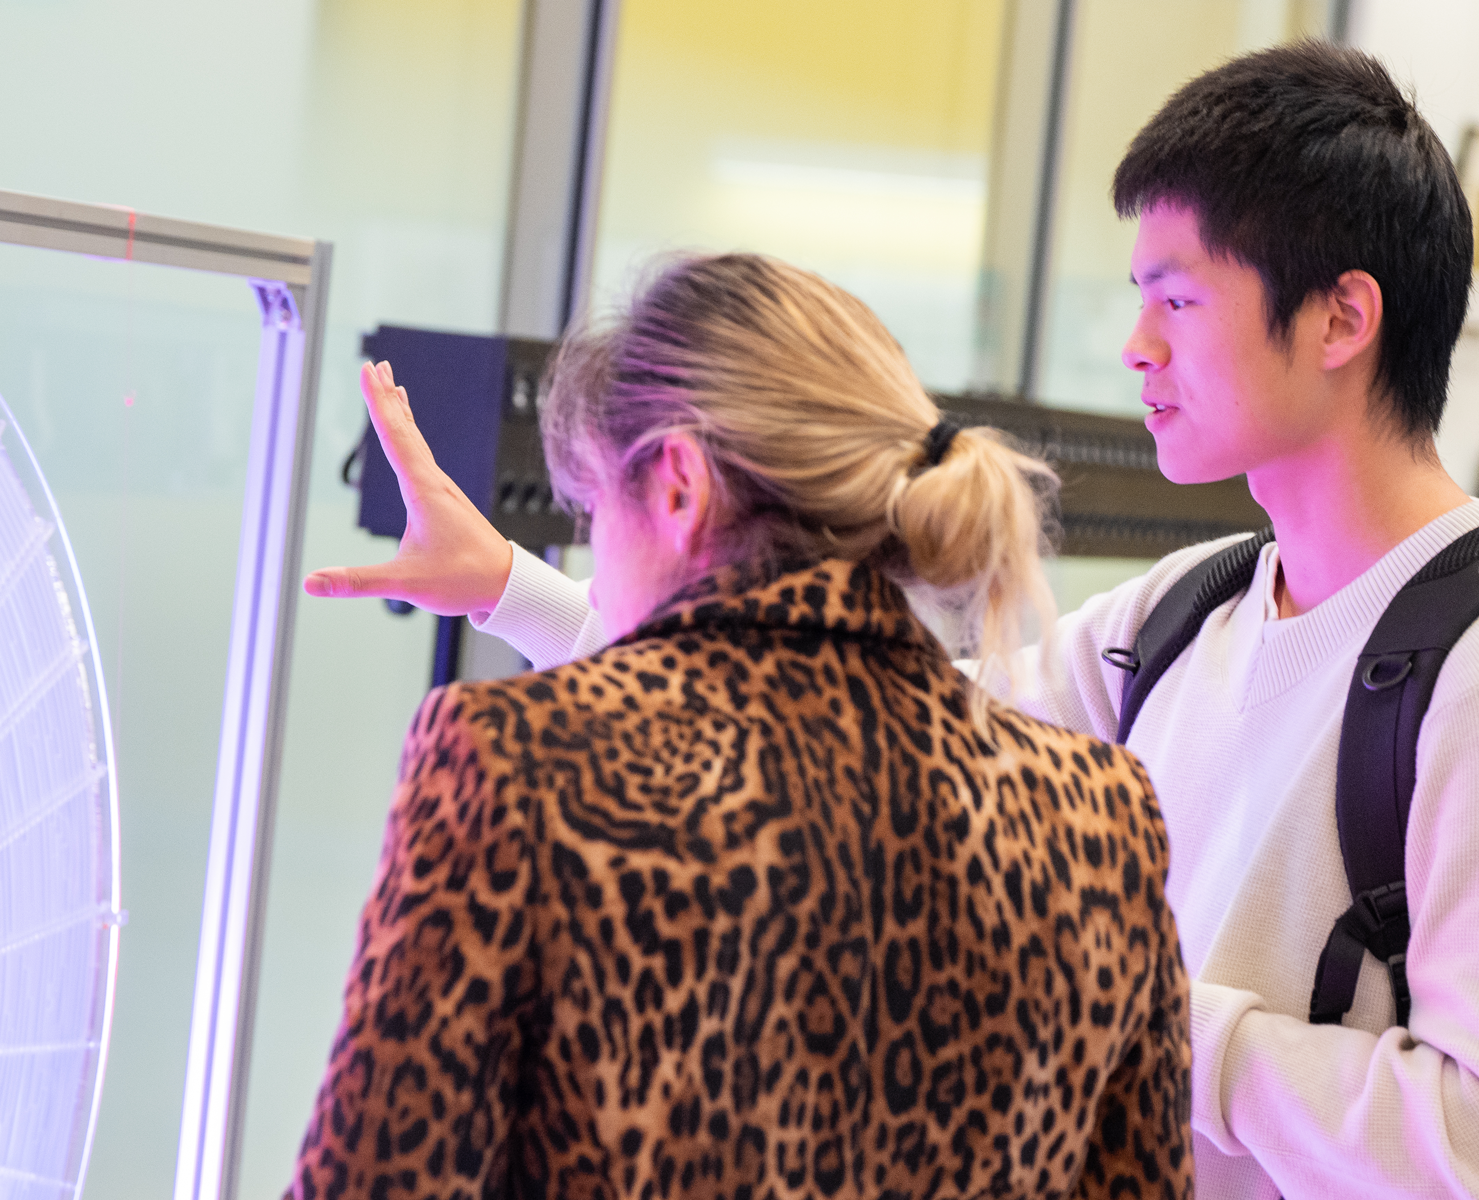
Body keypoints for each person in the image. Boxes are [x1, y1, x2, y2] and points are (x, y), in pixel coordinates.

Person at [328, 43, 1479, 1200]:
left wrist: (1145, 1012)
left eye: (1175, 298)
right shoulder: (1196, 604)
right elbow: (851, 736)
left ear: (1341, 318)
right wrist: (518, 586)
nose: (1137, 348)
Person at [289, 253, 1193, 1200]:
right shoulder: (1097, 815)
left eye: (595, 508)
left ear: (677, 485)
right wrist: (516, 591)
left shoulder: (511, 764)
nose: (596, 561)